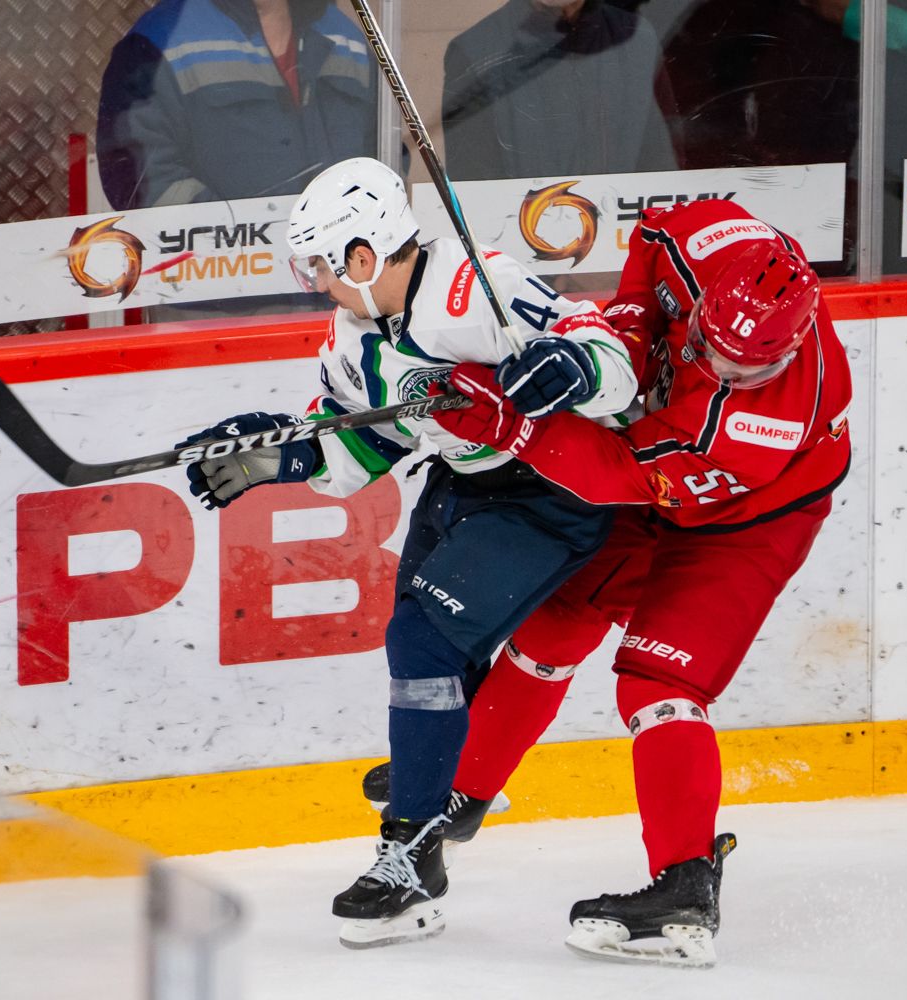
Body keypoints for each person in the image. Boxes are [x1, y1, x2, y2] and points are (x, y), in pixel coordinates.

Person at [176, 156, 639, 948]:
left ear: (362, 256)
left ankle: (412, 855)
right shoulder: (352, 335)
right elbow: (365, 445)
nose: (317, 282)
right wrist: (272, 458)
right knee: (434, 658)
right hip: (464, 484)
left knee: (422, 641)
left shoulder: (479, 289)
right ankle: (441, 784)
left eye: (323, 265)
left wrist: (573, 365)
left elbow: (614, 365)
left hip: (550, 490)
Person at [427, 198, 853, 967]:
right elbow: (653, 238)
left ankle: (684, 890)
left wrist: (510, 425)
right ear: (709, 300)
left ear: (788, 351)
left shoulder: (754, 425)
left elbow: (616, 473)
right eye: (709, 347)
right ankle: (456, 793)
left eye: (745, 370)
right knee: (558, 620)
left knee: (658, 680)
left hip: (750, 517)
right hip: (660, 468)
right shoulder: (708, 238)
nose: (719, 370)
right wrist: (619, 340)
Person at [95, 0, 376, 211]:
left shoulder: (349, 41)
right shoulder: (157, 41)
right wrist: (237, 241)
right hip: (217, 267)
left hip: (337, 268)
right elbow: (140, 180)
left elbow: (381, 156)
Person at [441, 0, 676, 181]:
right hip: (525, 227)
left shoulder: (637, 40)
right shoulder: (475, 52)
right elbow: (474, 195)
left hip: (626, 226)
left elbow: (660, 167)